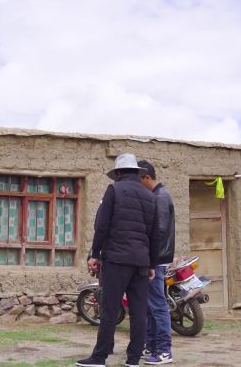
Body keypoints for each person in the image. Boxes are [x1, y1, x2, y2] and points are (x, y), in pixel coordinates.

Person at [77, 153, 160, 367]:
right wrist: (151, 264)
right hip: (141, 262)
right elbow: (154, 233)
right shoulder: (150, 195)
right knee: (139, 311)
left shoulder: (114, 190)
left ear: (119, 173)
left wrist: (95, 254)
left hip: (117, 258)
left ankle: (99, 357)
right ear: (136, 172)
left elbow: (102, 226)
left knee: (110, 309)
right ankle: (133, 360)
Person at [138, 160, 175, 365]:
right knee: (150, 306)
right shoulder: (156, 196)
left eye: (138, 180)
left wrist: (149, 261)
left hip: (157, 260)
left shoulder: (160, 197)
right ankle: (151, 346)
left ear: (147, 178)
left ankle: (164, 351)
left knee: (157, 306)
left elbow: (158, 232)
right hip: (155, 259)